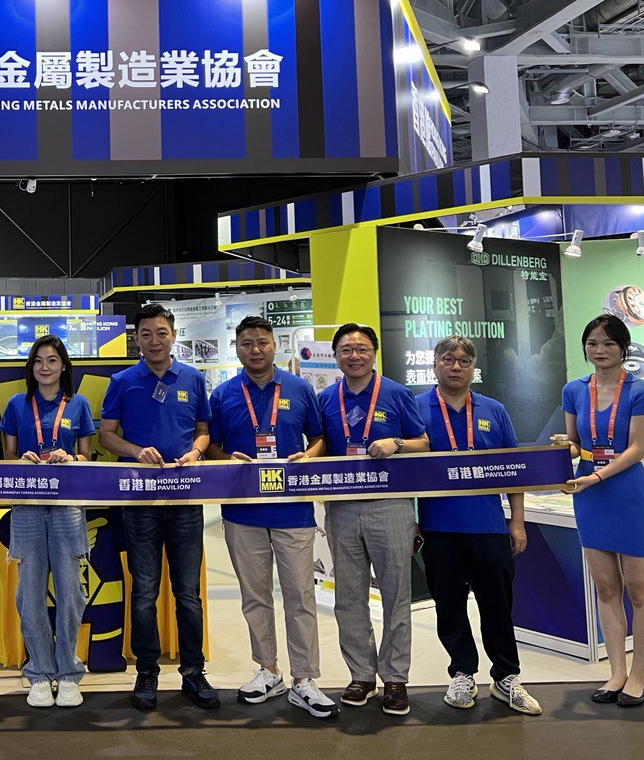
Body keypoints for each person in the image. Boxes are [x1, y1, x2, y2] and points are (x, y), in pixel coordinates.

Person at [206, 317, 336, 719]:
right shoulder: (224, 394)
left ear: (274, 346)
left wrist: (308, 456)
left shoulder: (299, 388)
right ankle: (267, 669)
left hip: (293, 510)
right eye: (246, 343)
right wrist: (226, 458)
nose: (255, 350)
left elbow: (320, 438)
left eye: (262, 342)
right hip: (242, 511)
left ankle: (305, 678)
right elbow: (210, 446)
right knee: (255, 596)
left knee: (300, 596)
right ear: (237, 348)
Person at [99, 303, 216, 711]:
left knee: (188, 593)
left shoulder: (194, 379)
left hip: (184, 498)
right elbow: (106, 435)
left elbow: (203, 431)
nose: (154, 341)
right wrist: (135, 451)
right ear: (136, 339)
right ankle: (146, 672)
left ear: (173, 335)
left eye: (161, 333)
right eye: (146, 334)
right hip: (140, 501)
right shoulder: (122, 381)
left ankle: (193, 671)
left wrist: (196, 453)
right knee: (145, 591)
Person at [417, 336, 541, 716]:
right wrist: (411, 521)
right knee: (449, 606)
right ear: (434, 364)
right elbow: (403, 472)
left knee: (498, 605)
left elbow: (514, 470)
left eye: (464, 361)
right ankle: (462, 673)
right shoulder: (416, 408)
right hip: (438, 528)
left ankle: (506, 677)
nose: (456, 366)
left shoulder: (494, 410)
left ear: (474, 368)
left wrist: (517, 522)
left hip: (489, 526)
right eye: (448, 359)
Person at [315, 322, 427, 717]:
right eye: (346, 350)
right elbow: (320, 445)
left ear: (374, 353)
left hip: (390, 506)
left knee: (396, 594)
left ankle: (395, 678)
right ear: (336, 356)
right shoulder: (325, 398)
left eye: (362, 349)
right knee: (348, 597)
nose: (354, 356)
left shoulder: (396, 393)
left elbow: (423, 442)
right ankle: (361, 674)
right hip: (343, 506)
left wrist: (396, 443)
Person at [562, 314, 644, 707]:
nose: (599, 350)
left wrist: (598, 476)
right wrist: (563, 448)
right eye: (592, 343)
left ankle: (639, 676)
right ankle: (617, 672)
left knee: (640, 590)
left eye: (608, 343)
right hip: (590, 496)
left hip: (626, 493)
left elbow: (637, 449)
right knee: (606, 588)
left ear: (623, 348)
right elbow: (575, 443)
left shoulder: (641, 390)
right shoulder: (573, 389)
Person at [0, 336, 95, 709]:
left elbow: (88, 456)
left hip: (67, 505)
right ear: (31, 366)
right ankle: (39, 672)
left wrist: (70, 458)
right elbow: (7, 455)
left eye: (52, 360)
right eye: (38, 360)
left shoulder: (79, 404)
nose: (45, 367)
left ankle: (69, 672)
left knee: (71, 590)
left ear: (63, 366)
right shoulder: (16, 405)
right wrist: (21, 459)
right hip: (26, 506)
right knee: (29, 593)